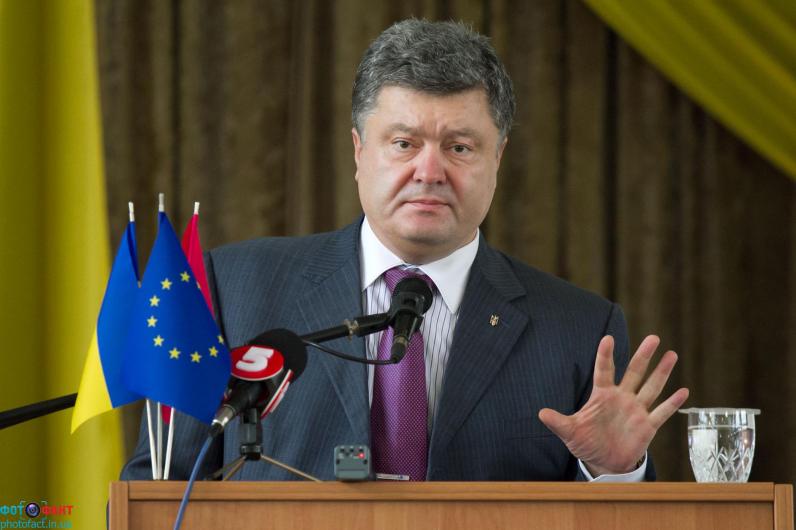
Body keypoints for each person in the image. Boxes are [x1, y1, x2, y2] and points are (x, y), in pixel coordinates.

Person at [121, 19, 688, 482]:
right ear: (358, 151)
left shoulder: (581, 330)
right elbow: (158, 488)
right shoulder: (233, 289)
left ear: (498, 158)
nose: (429, 171)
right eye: (403, 143)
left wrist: (612, 472)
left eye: (459, 147)